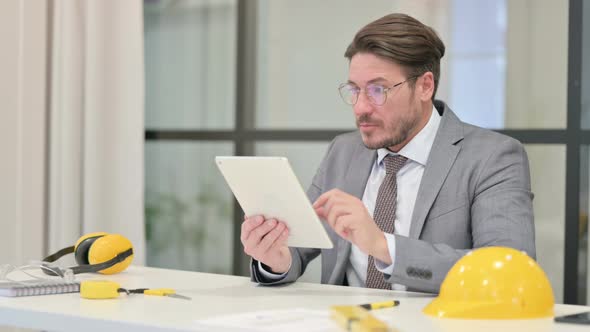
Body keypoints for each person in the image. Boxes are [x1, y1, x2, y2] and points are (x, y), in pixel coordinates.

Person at [240, 13, 535, 293]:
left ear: (424, 86)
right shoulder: (343, 151)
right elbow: (298, 249)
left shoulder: (492, 157)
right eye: (354, 90)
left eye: (378, 90)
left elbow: (510, 270)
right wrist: (276, 258)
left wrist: (383, 246)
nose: (361, 108)